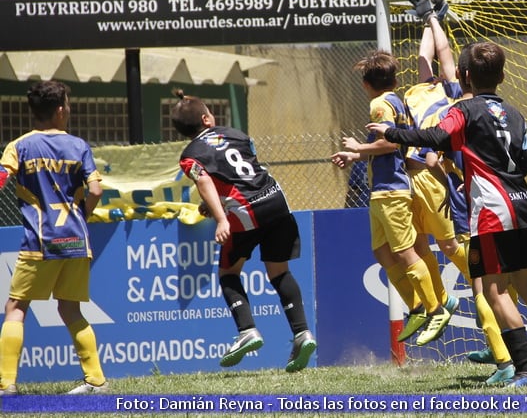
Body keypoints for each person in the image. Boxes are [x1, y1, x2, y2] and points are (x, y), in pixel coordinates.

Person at [368, 41, 527, 387]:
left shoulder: (463, 110)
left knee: (494, 292)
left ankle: (526, 367)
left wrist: (392, 132)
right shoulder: (514, 113)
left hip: (492, 210)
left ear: (464, 77)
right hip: (521, 203)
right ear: (503, 76)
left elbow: (437, 136)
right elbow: (524, 162)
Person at [170, 90, 316, 373]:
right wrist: (212, 206)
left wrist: (221, 217)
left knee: (228, 272)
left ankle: (247, 330)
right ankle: (302, 333)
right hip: (276, 200)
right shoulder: (235, 133)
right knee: (279, 272)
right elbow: (243, 171)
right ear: (207, 119)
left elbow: (205, 183)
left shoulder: (190, 155)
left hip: (246, 213)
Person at [330, 50, 451, 346]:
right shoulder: (397, 100)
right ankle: (418, 308)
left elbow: (388, 142)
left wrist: (358, 147)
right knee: (382, 253)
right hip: (382, 189)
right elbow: (390, 146)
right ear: (395, 80)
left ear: (365, 84)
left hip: (392, 190)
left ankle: (436, 310)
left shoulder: (379, 105)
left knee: (405, 252)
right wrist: (355, 154)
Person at [0, 81, 108, 395]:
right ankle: (96, 380)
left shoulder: (19, 146)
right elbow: (97, 190)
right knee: (70, 309)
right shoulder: (79, 146)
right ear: (60, 110)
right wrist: (83, 216)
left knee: (16, 307)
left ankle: (6, 384)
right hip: (76, 240)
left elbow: (3, 177)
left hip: (40, 242)